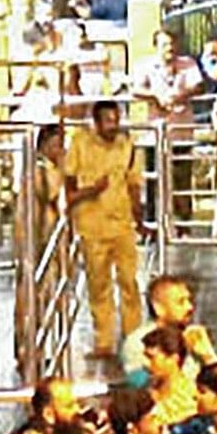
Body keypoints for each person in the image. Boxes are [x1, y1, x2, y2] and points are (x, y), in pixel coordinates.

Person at [61, 98, 148, 365]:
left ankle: (133, 337)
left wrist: (139, 217)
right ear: (96, 122)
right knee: (99, 285)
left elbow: (134, 183)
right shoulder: (80, 144)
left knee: (130, 283)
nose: (113, 126)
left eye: (116, 120)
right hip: (92, 225)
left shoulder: (128, 145)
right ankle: (104, 341)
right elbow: (69, 182)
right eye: (107, 121)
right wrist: (88, 193)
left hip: (122, 224)